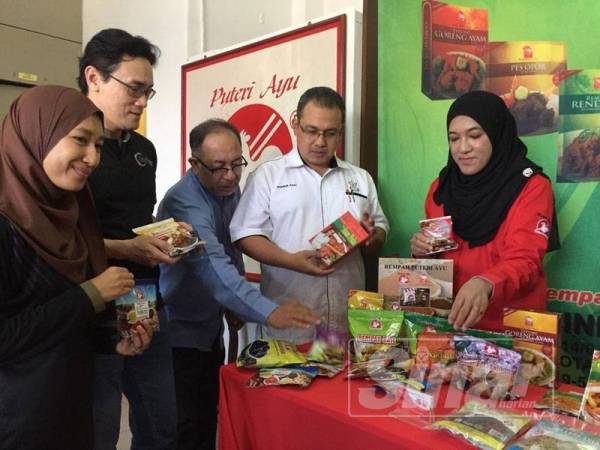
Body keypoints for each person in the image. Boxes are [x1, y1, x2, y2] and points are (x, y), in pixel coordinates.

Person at [0, 85, 152, 449]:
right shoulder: (6, 224)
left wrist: (114, 342)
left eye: (98, 146)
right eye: (80, 140)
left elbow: (65, 326)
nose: (92, 158)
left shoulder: (73, 215)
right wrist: (90, 294)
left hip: (70, 407)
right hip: (16, 419)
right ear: (36, 136)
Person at [157, 118, 321, 450]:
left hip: (208, 325)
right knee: (182, 423)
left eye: (237, 164)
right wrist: (268, 311)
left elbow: (233, 247)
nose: (230, 176)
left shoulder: (228, 190)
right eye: (219, 167)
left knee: (206, 414)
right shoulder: (184, 202)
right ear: (195, 164)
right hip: (178, 330)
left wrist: (233, 304)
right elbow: (212, 263)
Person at [78, 29, 177, 450]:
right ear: (94, 78)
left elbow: (136, 219)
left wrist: (163, 237)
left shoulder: (144, 150)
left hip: (143, 297)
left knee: (160, 422)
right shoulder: (62, 145)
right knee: (97, 427)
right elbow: (56, 239)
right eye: (134, 89)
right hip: (89, 301)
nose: (141, 102)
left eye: (148, 93)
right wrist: (124, 248)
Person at [230, 86, 389, 343]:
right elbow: (244, 235)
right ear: (296, 124)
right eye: (311, 131)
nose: (319, 142)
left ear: (340, 131)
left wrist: (372, 236)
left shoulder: (359, 178)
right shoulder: (268, 176)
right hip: (290, 321)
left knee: (340, 383)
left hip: (347, 322)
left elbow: (380, 227)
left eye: (330, 133)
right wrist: (291, 260)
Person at [410, 90, 559, 332]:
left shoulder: (531, 186)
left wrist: (485, 282)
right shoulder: (441, 188)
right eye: (454, 138)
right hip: (452, 325)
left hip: (510, 330)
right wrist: (422, 253)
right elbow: (439, 259)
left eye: (475, 135)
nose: (463, 148)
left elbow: (525, 260)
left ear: (497, 133)